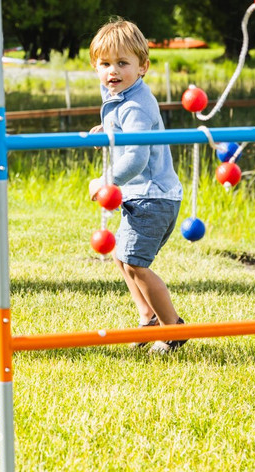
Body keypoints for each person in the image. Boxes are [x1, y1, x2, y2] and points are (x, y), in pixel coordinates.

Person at [87, 18, 187, 354]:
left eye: (122, 63)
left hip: (152, 198)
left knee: (135, 264)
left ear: (143, 67)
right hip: (145, 196)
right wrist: (106, 129)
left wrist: (106, 181)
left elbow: (137, 158)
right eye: (104, 64)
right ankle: (148, 319)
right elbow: (121, 126)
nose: (112, 71)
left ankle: (172, 329)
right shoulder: (119, 95)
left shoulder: (134, 105)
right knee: (122, 257)